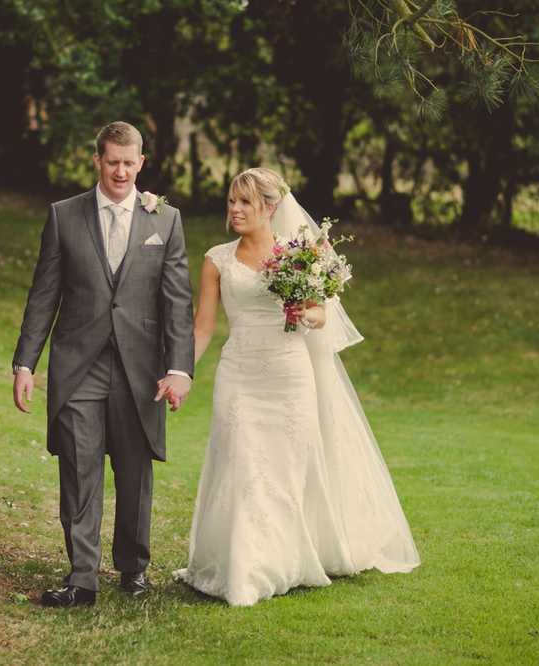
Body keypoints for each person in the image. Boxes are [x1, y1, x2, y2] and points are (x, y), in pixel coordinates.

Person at [172, 167, 420, 607]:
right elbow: (203, 328)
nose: (236, 209)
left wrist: (307, 315)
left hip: (288, 372)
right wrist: (181, 372)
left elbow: (321, 312)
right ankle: (241, 567)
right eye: (232, 201)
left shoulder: (300, 255)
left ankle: (279, 559)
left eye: (246, 202)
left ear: (271, 207)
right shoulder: (217, 259)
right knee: (240, 463)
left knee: (283, 471)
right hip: (239, 373)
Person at [12, 122, 195, 608]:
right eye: (112, 160)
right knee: (79, 468)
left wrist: (180, 368)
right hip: (78, 367)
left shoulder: (166, 221)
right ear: (97, 160)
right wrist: (25, 363)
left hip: (141, 371)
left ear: (141, 163)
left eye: (129, 162)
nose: (120, 170)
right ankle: (82, 578)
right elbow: (43, 295)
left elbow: (177, 304)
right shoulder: (63, 216)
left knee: (134, 475)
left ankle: (133, 569)